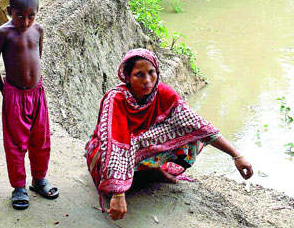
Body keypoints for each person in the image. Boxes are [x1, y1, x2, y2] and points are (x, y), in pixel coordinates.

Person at [85, 49, 253, 221]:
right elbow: (115, 144)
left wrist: (236, 155)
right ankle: (129, 179)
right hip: (106, 155)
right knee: (129, 144)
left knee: (191, 133)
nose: (148, 81)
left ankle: (152, 171)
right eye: (139, 75)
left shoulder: (162, 92)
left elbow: (198, 125)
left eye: (151, 73)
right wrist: (118, 194)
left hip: (136, 148)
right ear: (127, 77)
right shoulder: (116, 99)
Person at [0, 0, 58, 210]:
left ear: (37, 13)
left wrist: (33, 81)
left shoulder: (38, 30)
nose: (25, 22)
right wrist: (4, 90)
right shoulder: (3, 33)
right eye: (19, 15)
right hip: (14, 95)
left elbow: (38, 55)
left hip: (37, 93)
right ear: (9, 11)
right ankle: (18, 187)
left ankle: (39, 179)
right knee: (16, 144)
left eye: (30, 16)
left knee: (41, 139)